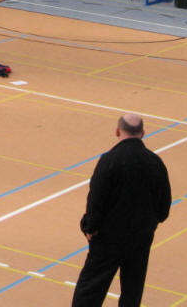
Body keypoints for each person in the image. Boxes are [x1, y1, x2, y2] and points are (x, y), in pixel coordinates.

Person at [72, 114, 171, 307]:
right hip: (140, 239)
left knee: (90, 291)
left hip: (107, 239)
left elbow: (96, 199)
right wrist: (149, 225)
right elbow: (163, 207)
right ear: (143, 133)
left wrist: (89, 227)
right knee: (132, 291)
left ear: (117, 131)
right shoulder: (155, 163)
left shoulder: (109, 161)